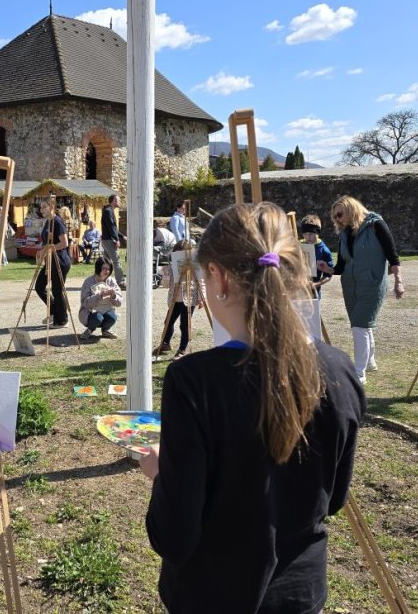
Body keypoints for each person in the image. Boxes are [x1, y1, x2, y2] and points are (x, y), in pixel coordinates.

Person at [140, 202, 365, 614]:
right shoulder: (340, 370)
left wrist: (163, 474)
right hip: (300, 593)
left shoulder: (195, 382)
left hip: (210, 595)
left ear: (219, 278)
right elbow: (330, 499)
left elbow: (174, 537)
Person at [317, 195, 404, 383]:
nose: (338, 219)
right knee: (362, 325)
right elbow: (341, 266)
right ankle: (370, 362)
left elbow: (393, 255)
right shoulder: (345, 234)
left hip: (372, 285)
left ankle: (359, 372)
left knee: (359, 325)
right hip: (350, 287)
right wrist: (327, 269)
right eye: (335, 217)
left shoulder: (376, 225)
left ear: (350, 209)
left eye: (340, 214)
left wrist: (399, 280)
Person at [153, 240, 204, 359]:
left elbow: (201, 281)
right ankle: (165, 343)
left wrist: (202, 298)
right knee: (168, 322)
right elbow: (166, 285)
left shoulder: (194, 265)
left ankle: (182, 349)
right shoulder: (171, 266)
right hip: (175, 299)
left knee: (185, 325)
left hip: (189, 298)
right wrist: (165, 274)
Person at [35, 198, 70, 327]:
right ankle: (55, 312)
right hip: (49, 260)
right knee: (39, 286)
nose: (41, 209)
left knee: (57, 290)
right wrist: (41, 250)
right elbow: (46, 242)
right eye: (41, 207)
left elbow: (64, 243)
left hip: (59, 260)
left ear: (51, 207)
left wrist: (47, 248)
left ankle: (61, 320)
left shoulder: (57, 222)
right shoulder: (48, 222)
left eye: (44, 207)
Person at [78, 256, 123, 340]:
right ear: (98, 268)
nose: (107, 271)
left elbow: (119, 302)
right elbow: (85, 303)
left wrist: (114, 295)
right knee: (98, 318)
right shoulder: (88, 282)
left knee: (113, 317)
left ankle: (106, 330)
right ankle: (89, 330)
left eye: (108, 269)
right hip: (90, 313)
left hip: (106, 309)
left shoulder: (111, 281)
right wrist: (100, 296)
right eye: (104, 268)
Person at [299, 214, 333, 298]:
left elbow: (328, 275)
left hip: (313, 292)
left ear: (317, 232)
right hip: (297, 289)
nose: (307, 237)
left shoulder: (324, 251)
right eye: (305, 234)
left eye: (310, 234)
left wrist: (315, 284)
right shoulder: (299, 245)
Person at [100, 194, 126, 289]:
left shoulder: (108, 211)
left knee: (106, 262)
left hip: (106, 239)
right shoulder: (108, 211)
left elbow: (113, 228)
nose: (120, 202)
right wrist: (116, 239)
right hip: (109, 240)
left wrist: (122, 236)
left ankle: (103, 280)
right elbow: (111, 227)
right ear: (114, 200)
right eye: (118, 200)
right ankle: (121, 282)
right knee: (116, 261)